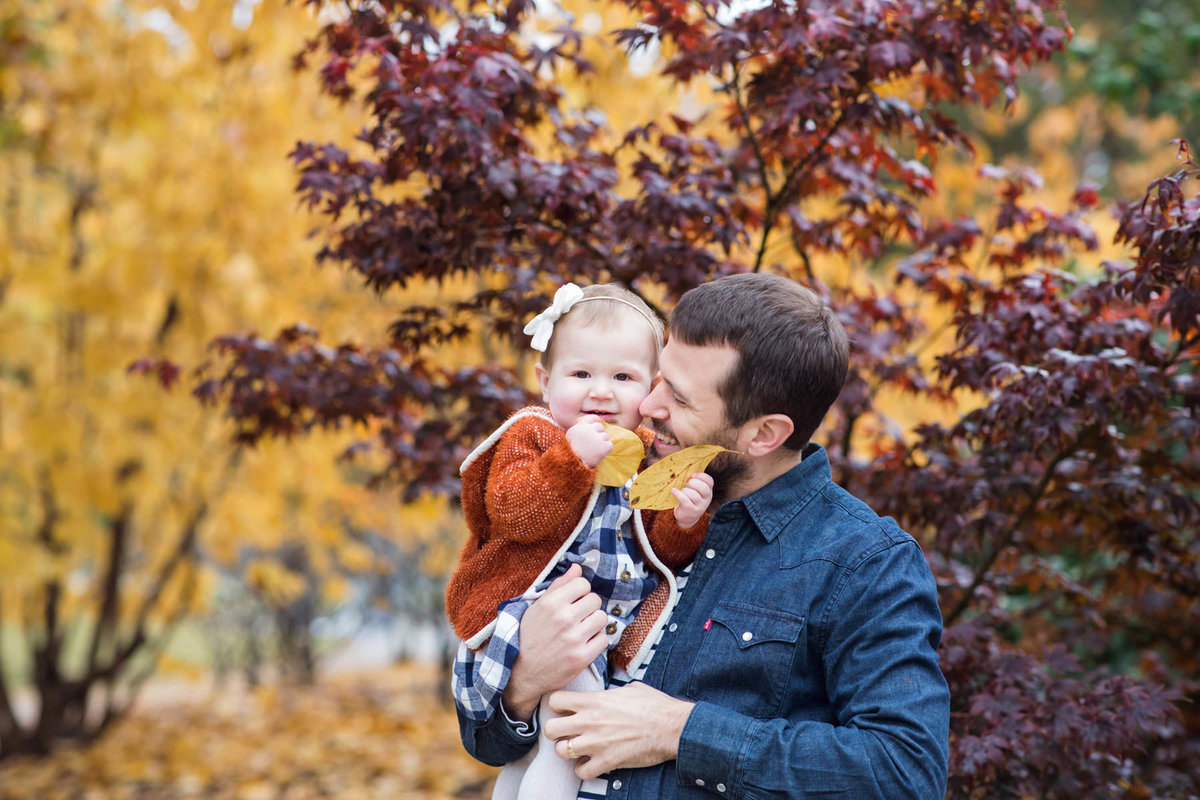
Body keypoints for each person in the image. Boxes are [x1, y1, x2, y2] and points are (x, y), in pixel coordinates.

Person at [457, 272, 951, 799]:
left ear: (764, 434)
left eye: (680, 398)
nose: (646, 406)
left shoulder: (863, 561)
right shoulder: (617, 497)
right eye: (658, 378)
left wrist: (678, 731)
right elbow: (487, 743)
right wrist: (524, 681)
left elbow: (905, 773)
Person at [445, 283, 714, 800]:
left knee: (543, 742)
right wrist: (571, 462)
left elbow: (662, 555)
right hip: (523, 613)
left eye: (623, 377)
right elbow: (514, 513)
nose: (601, 392)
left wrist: (685, 520)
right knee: (576, 720)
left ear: (652, 389)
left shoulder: (645, 457)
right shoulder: (535, 435)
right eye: (581, 374)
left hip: (600, 629)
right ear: (546, 382)